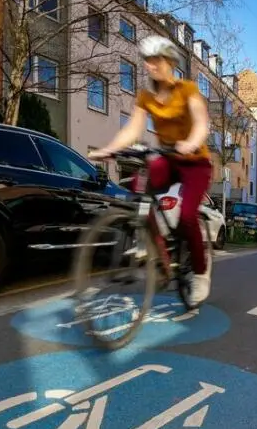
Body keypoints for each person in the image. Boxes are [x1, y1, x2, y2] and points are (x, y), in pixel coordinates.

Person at [88, 35, 213, 306]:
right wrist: (109, 149)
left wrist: (190, 141)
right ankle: (151, 242)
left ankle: (201, 274)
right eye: (148, 61)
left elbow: (202, 123)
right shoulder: (146, 96)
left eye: (156, 60)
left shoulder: (188, 90)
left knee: (189, 215)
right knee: (137, 184)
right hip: (168, 157)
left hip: (195, 162)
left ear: (169, 62)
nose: (151, 65)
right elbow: (133, 128)